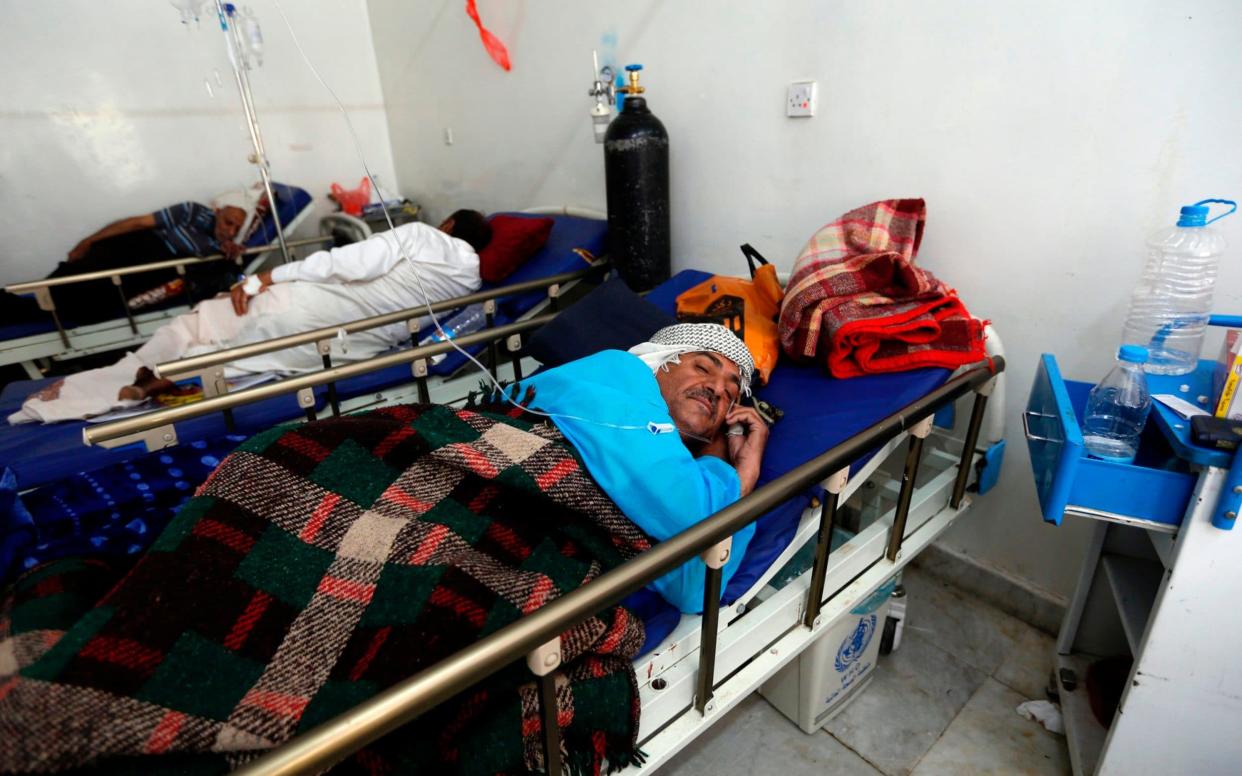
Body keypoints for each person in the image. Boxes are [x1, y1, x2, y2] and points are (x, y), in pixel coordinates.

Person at [9, 210, 492, 424]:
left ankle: (144, 375)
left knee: (204, 326)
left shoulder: (425, 236)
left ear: (448, 224)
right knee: (243, 359)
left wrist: (267, 277)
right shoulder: (469, 281)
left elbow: (347, 263)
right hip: (355, 342)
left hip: (309, 305)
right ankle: (151, 384)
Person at [516, 323, 770, 612]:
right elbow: (699, 517)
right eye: (702, 368)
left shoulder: (662, 471)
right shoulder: (621, 375)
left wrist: (719, 458)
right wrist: (742, 477)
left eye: (730, 392)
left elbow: (695, 591)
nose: (716, 389)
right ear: (659, 360)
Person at [1, 190, 264, 326]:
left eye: (235, 228)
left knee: (88, 298)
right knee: (79, 272)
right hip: (140, 244)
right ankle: (23, 303)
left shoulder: (226, 248)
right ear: (217, 210)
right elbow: (137, 223)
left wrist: (227, 252)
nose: (229, 230)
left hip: (156, 268)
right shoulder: (192, 211)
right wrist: (89, 240)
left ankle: (27, 309)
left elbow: (226, 273)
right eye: (227, 222)